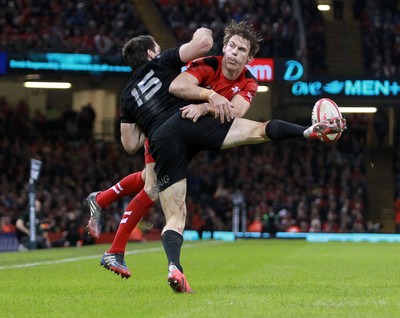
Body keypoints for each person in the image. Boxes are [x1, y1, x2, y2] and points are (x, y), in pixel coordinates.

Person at [93, 21, 345, 292]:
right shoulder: (205, 63)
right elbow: (178, 86)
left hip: (172, 134)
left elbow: (235, 111)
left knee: (170, 207)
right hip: (177, 124)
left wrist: (200, 110)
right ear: (224, 47)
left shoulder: (248, 80)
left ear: (249, 58)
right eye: (232, 46)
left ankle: (172, 267)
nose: (235, 52)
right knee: (155, 187)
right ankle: (307, 132)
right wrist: (210, 98)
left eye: (241, 49)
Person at [87, 21, 259, 279]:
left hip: (159, 132)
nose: (161, 49)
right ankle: (115, 248)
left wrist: (146, 117)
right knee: (152, 188)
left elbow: (129, 144)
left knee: (149, 180)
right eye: (157, 48)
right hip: (170, 128)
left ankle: (100, 201)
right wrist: (206, 29)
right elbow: (202, 43)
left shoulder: (127, 95)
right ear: (150, 54)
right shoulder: (163, 63)